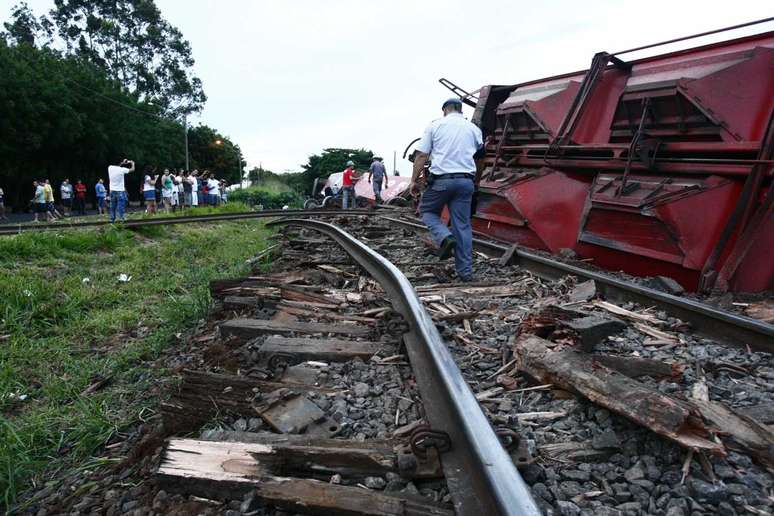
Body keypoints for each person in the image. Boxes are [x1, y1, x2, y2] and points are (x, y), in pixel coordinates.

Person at [410, 98, 484, 282]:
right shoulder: (473, 129)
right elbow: (481, 158)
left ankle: (444, 237)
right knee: (463, 225)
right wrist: (476, 181)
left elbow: (422, 155)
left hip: (441, 181)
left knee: (427, 211)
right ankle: (465, 273)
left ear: (444, 110)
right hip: (465, 181)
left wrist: (413, 180)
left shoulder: (435, 126)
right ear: (460, 110)